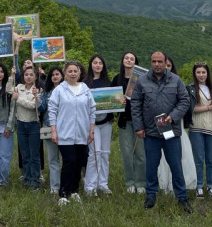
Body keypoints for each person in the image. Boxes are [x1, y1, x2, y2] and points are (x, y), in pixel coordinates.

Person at [131, 51, 192, 213]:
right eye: (154, 61)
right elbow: (135, 104)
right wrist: (138, 127)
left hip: (170, 131)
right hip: (150, 132)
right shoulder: (142, 81)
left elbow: (185, 100)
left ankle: (182, 198)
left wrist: (173, 116)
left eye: (160, 61)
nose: (157, 64)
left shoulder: (176, 80)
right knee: (151, 165)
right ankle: (151, 195)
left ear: (166, 63)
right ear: (150, 62)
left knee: (176, 165)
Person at [48, 60, 95, 206]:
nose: (73, 74)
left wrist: (91, 130)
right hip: (64, 133)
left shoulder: (85, 89)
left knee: (79, 162)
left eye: (75, 71)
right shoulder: (60, 90)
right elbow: (52, 110)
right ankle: (63, 193)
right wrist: (54, 131)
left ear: (80, 72)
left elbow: (92, 110)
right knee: (69, 161)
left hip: (82, 133)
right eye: (70, 71)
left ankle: (74, 191)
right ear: (65, 73)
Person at [156, 56, 196, 195]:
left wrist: (173, 116)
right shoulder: (153, 83)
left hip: (174, 122)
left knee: (177, 155)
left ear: (172, 66)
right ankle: (164, 184)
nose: (166, 67)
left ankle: (176, 187)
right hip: (160, 122)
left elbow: (184, 104)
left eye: (168, 65)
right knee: (162, 156)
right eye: (163, 64)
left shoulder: (178, 83)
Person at [112, 52, 146, 195]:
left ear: (135, 62)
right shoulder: (116, 79)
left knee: (141, 155)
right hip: (124, 121)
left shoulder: (142, 79)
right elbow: (111, 101)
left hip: (140, 121)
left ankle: (141, 183)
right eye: (126, 58)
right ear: (123, 61)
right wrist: (117, 101)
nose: (129, 60)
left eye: (132, 59)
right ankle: (130, 183)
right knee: (127, 154)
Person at [186, 62, 212, 201]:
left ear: (207, 74)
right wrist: (210, 107)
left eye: (204, 72)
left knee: (211, 160)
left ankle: (211, 186)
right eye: (198, 72)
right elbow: (190, 108)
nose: (201, 75)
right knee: (198, 159)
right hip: (196, 127)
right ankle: (199, 186)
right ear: (195, 74)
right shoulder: (190, 89)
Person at [83, 54, 113, 195]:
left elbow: (114, 100)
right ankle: (90, 186)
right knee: (94, 154)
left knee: (105, 154)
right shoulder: (84, 83)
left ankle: (103, 184)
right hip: (91, 124)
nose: (98, 65)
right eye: (95, 62)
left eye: (100, 63)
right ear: (91, 65)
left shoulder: (108, 82)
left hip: (106, 122)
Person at [14, 65, 42, 189]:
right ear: (23, 76)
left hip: (33, 125)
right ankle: (27, 180)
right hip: (21, 125)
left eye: (31, 74)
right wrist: (11, 74)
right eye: (26, 74)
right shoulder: (18, 87)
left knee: (34, 156)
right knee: (25, 155)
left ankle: (35, 181)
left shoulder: (38, 90)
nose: (28, 77)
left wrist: (18, 99)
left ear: (35, 76)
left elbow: (33, 106)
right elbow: (8, 88)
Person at [0, 62, 16, 187]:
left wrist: (9, 126)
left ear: (4, 73)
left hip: (6, 127)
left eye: (1, 71)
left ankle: (2, 182)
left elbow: (13, 108)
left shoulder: (9, 88)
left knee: (4, 156)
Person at [39, 66, 64, 195]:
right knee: (53, 159)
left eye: (57, 74)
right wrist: (37, 99)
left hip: (66, 130)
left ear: (61, 76)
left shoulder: (68, 90)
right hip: (49, 128)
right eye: (53, 74)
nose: (55, 76)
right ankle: (55, 187)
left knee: (66, 159)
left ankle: (66, 185)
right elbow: (41, 108)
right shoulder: (46, 92)